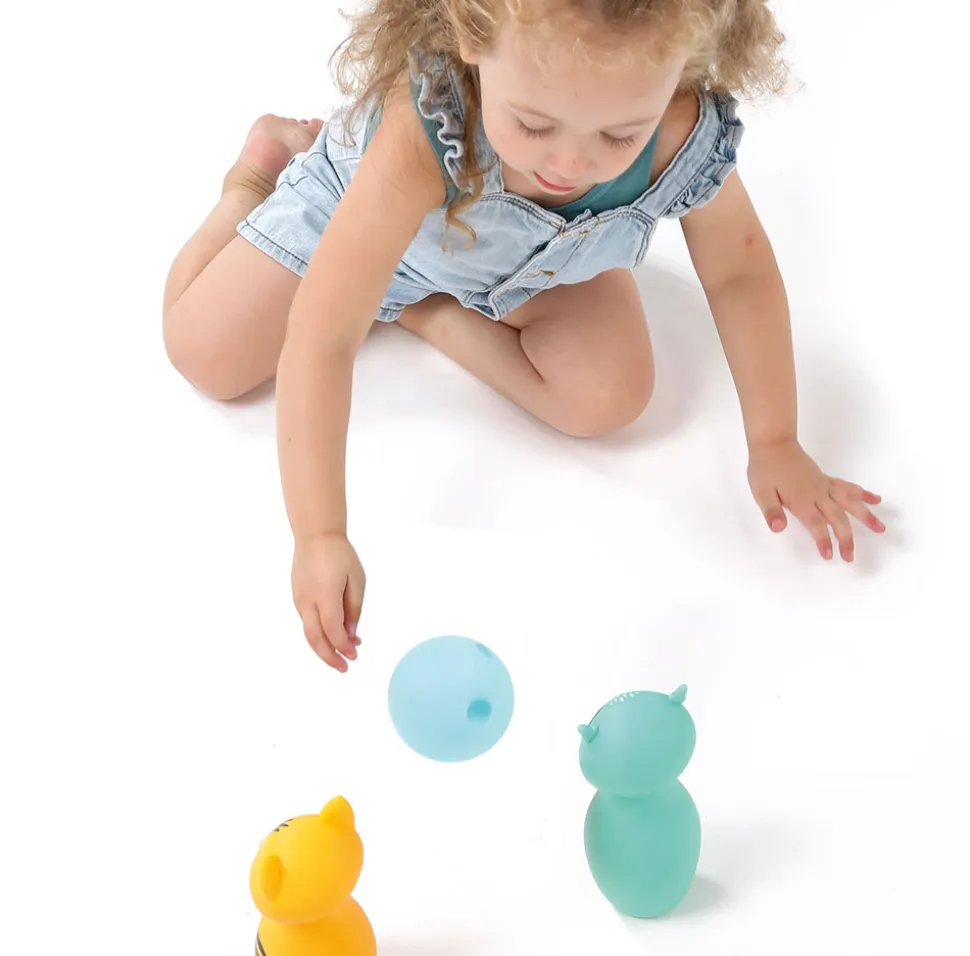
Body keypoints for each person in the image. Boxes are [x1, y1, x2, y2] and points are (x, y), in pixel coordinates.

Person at [162, 0, 885, 672]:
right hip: (357, 218)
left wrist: (775, 441)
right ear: (472, 39)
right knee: (203, 350)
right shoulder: (431, 124)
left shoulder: (679, 131)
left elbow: (739, 274)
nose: (569, 165)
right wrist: (320, 534)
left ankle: (421, 310)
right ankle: (252, 182)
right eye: (534, 124)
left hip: (530, 268)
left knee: (611, 393)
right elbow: (322, 335)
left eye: (619, 135)